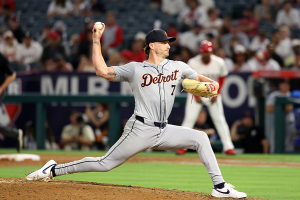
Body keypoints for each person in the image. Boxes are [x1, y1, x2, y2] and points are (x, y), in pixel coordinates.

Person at [25, 26, 247, 198]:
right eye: (164, 42)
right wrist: (95, 39)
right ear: (152, 46)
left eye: (169, 42)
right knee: (105, 164)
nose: (169, 45)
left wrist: (212, 85)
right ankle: (54, 169)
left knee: (200, 137)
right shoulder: (135, 68)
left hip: (164, 129)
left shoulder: (179, 66)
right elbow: (101, 71)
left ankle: (219, 187)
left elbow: (199, 79)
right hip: (140, 128)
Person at [179, 40, 236, 156]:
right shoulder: (193, 62)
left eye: (208, 52)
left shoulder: (219, 62)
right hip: (196, 91)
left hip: (212, 92)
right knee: (189, 119)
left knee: (219, 120)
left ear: (211, 52)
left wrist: (217, 93)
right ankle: (181, 147)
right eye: (204, 52)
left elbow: (222, 77)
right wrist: (195, 94)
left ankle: (228, 147)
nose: (206, 54)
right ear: (201, 52)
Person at [0, 52, 22, 152]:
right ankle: (15, 134)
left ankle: (15, 134)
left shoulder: (1, 57)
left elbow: (12, 75)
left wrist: (1, 88)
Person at [266, 79, 296, 153]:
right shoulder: (274, 95)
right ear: (280, 85)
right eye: (283, 84)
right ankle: (274, 155)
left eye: (287, 85)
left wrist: (278, 106)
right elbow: (268, 108)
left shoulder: (291, 94)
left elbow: (288, 109)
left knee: (289, 141)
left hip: (289, 122)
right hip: (277, 121)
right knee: (274, 140)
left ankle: (289, 157)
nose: (285, 86)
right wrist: (282, 107)